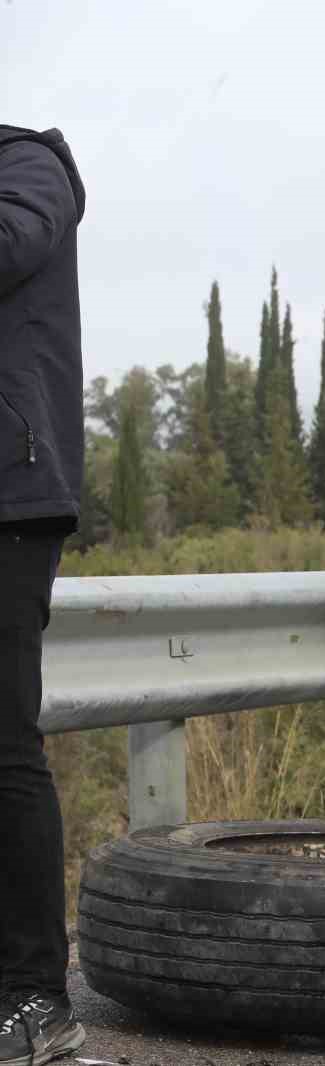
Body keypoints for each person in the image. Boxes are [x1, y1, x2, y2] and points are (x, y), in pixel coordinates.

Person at [0, 124, 89, 1066]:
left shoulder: (28, 161)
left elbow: (11, 244)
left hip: (13, 494)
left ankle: (35, 993)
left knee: (3, 746)